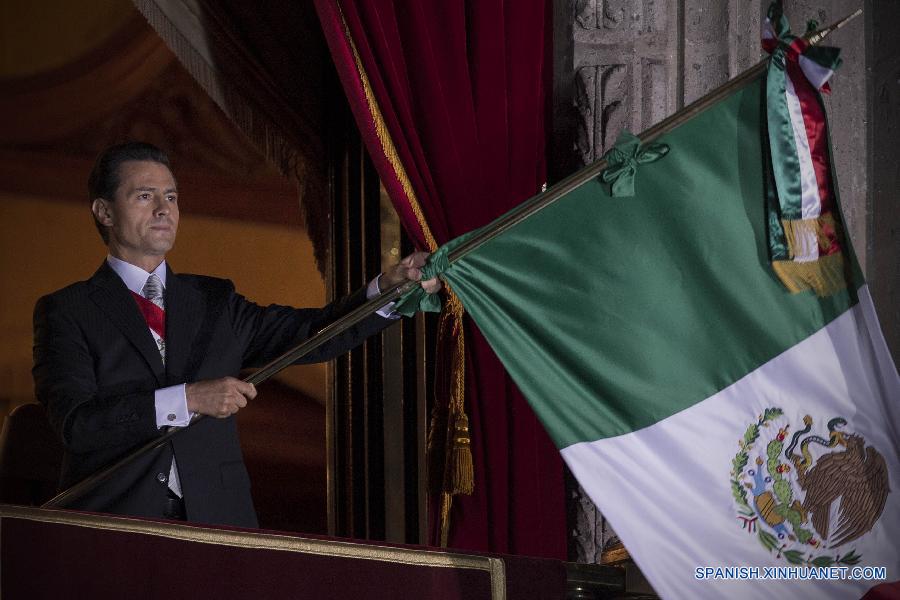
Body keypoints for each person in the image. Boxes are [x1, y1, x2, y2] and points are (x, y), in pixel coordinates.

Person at [32, 141, 440, 528]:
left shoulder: (215, 300)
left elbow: (313, 332)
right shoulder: (67, 311)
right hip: (113, 525)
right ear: (104, 211)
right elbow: (77, 425)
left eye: (171, 197)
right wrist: (188, 398)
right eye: (144, 196)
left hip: (219, 521)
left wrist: (385, 291)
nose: (164, 210)